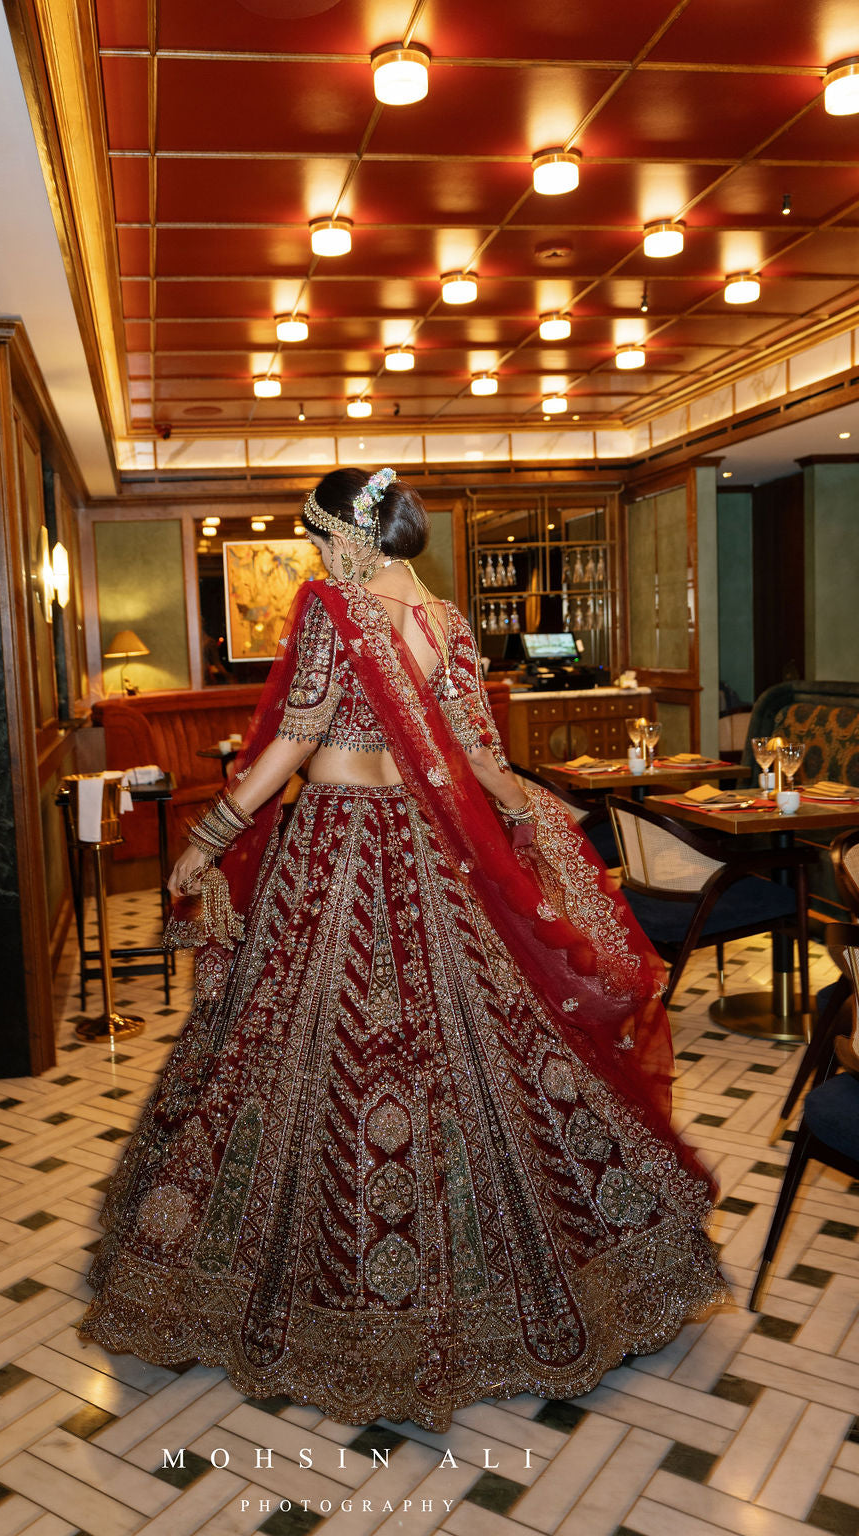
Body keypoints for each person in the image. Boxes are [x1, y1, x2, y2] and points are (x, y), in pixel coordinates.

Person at [76, 467, 731, 1433]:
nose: (313, 555)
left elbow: (296, 738)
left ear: (341, 534)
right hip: (428, 851)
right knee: (480, 1047)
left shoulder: (337, 609)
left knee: (294, 1052)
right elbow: (478, 761)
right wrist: (537, 825)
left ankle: (286, 1290)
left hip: (337, 841)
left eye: (314, 536)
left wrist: (207, 836)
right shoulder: (451, 623)